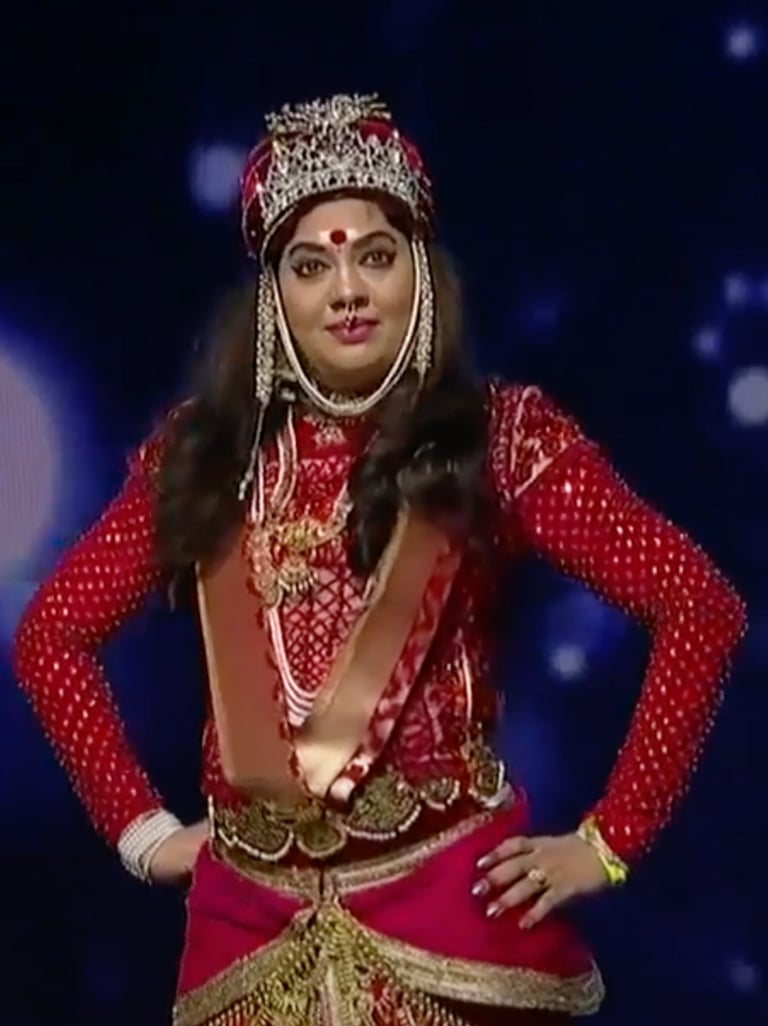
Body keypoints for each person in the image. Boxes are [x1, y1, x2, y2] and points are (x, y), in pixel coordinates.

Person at [13, 93, 746, 1026]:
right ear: (275, 296)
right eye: (311, 265)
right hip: (248, 941)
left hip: (452, 932)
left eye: (376, 255)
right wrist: (142, 831)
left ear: (420, 274)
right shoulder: (203, 457)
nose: (347, 290)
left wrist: (610, 841)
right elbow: (51, 636)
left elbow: (699, 604)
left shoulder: (503, 440)